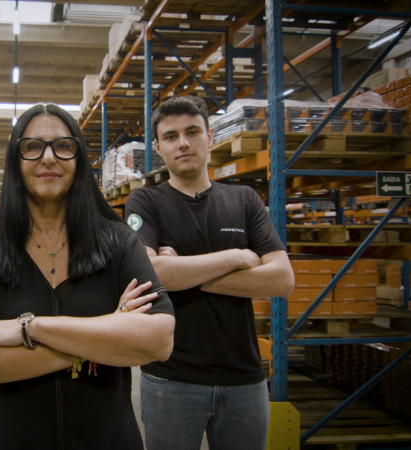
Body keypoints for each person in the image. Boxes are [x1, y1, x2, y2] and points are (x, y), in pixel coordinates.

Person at [0, 103, 175, 450]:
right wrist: (104, 336)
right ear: (15, 163)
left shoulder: (118, 242)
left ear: (78, 160)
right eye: (33, 146)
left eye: (62, 146)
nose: (48, 158)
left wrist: (28, 328)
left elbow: (158, 339)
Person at [125, 96, 295, 450]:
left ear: (210, 136)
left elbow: (281, 279)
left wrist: (182, 269)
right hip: (172, 378)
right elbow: (151, 273)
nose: (183, 143)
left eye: (192, 132)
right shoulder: (146, 202)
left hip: (244, 379)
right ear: (157, 147)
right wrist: (236, 256)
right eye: (171, 137)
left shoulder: (245, 199)